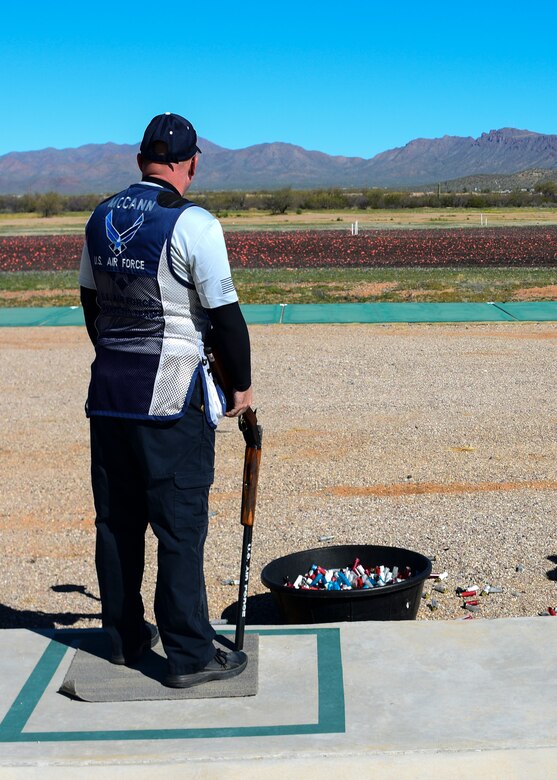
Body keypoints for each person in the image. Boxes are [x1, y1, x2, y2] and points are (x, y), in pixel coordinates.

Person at [79, 112, 252, 688]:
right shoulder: (195, 223)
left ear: (139, 161)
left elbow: (90, 304)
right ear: (192, 163)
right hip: (171, 397)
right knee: (180, 528)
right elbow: (225, 319)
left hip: (108, 396)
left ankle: (125, 638)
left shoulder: (100, 216)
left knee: (118, 524)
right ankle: (189, 654)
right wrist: (241, 387)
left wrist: (116, 355)